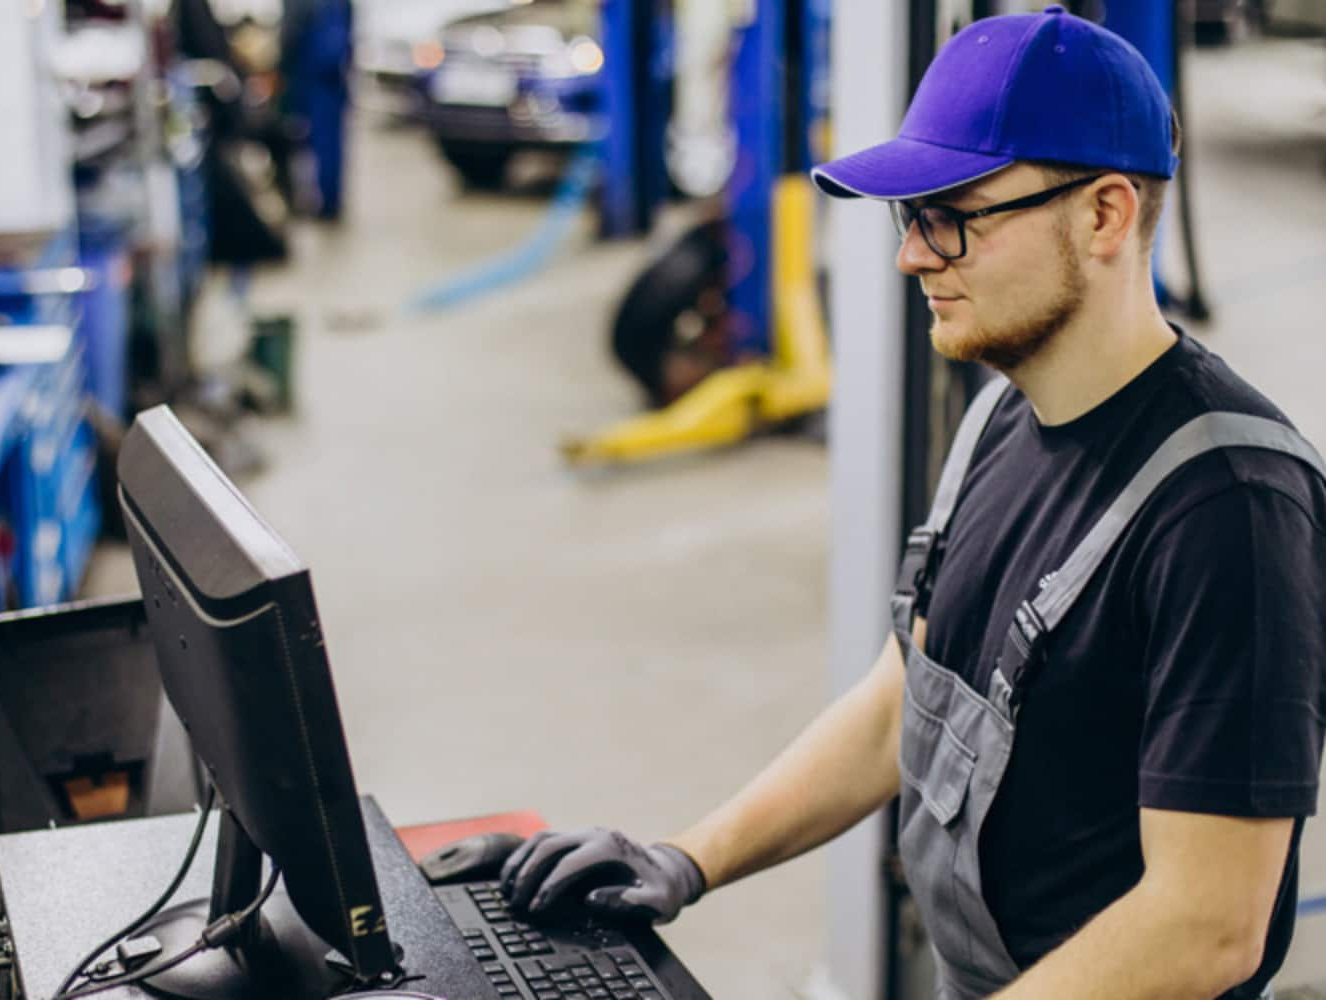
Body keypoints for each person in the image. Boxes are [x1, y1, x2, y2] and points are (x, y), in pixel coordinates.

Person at [499, 7, 1326, 999]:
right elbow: (911, 692)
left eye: (954, 218)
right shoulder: (996, 423)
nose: (911, 258)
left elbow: (1206, 928)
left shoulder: (1228, 507)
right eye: (910, 217)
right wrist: (687, 857)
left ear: (1105, 214)